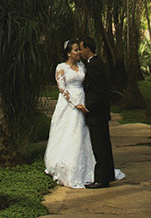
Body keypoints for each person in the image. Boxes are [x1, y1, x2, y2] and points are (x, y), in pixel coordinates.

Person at [44, 39, 95, 188]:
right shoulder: (61, 67)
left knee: (82, 132)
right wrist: (74, 103)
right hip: (69, 103)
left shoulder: (82, 66)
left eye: (79, 50)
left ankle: (87, 166)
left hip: (82, 99)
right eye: (75, 50)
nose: (79, 52)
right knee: (69, 132)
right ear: (68, 53)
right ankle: (66, 166)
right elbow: (62, 88)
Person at [80, 36, 123, 188]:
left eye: (81, 48)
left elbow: (97, 90)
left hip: (96, 113)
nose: (80, 52)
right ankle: (109, 174)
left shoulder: (93, 66)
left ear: (87, 48)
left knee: (99, 147)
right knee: (105, 144)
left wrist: (88, 107)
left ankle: (101, 179)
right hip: (102, 113)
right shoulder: (98, 63)